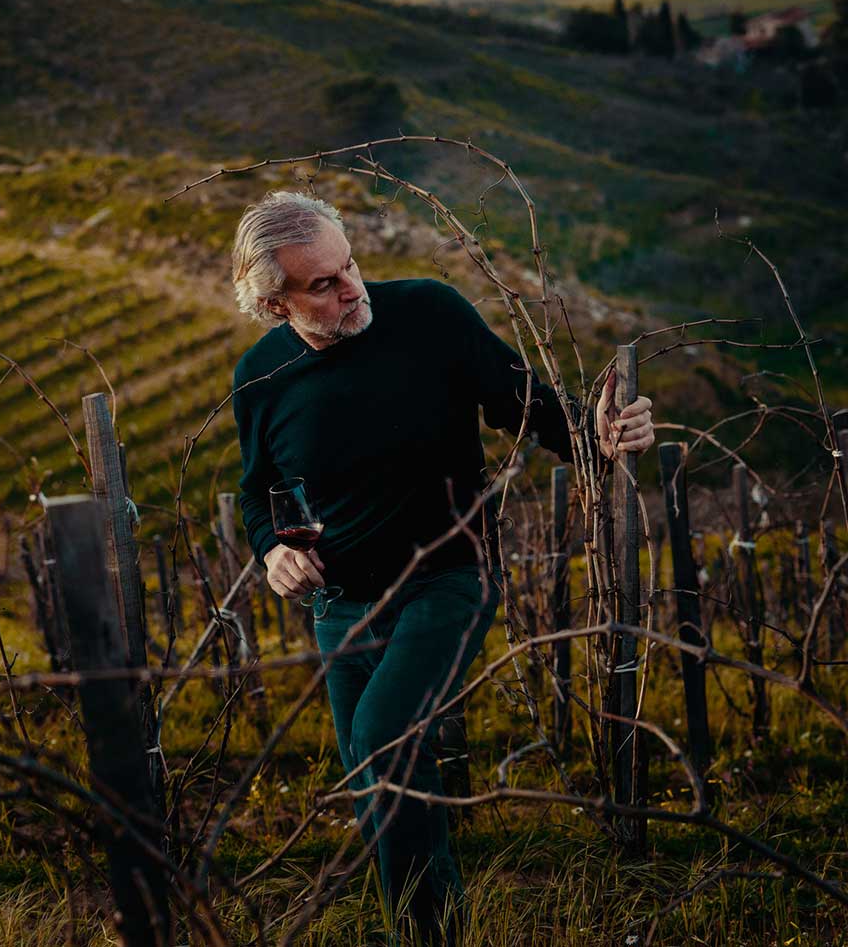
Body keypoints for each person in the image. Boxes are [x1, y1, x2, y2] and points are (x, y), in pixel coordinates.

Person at [228, 190, 654, 944]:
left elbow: (528, 405)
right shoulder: (260, 377)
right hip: (342, 602)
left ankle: (431, 934)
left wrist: (607, 434)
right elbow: (257, 491)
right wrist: (273, 550)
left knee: (386, 739)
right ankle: (430, 916)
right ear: (272, 303)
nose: (352, 287)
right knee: (371, 768)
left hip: (451, 574)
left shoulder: (430, 312)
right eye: (322, 284)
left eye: (348, 264)